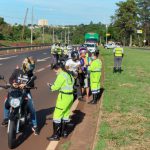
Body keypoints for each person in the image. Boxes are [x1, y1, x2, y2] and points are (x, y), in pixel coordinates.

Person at [1, 57, 39, 135]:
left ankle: (35, 126)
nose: (31, 68)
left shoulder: (30, 74)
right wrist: (13, 83)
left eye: (32, 67)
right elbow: (11, 79)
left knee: (32, 108)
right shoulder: (17, 71)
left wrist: (26, 85)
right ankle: (5, 118)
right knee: (6, 103)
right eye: (30, 66)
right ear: (25, 65)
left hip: (25, 92)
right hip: (14, 91)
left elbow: (32, 83)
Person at [47, 63, 74, 141]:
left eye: (55, 71)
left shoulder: (61, 75)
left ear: (59, 69)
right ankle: (64, 132)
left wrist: (50, 86)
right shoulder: (69, 75)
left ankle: (56, 135)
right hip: (70, 97)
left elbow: (55, 87)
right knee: (65, 114)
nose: (55, 73)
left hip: (64, 97)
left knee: (57, 116)